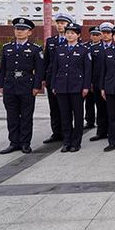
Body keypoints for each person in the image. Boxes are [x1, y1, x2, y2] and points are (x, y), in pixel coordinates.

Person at [0, 17, 44, 154]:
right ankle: (13, 142)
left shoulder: (35, 49)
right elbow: (3, 68)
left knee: (26, 116)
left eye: (23, 30)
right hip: (10, 85)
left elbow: (39, 70)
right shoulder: (7, 47)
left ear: (29, 32)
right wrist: (1, 85)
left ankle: (25, 143)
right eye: (17, 29)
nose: (19, 32)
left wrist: (36, 87)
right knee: (11, 116)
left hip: (26, 86)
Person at [51, 22, 91, 153]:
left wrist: (85, 86)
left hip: (77, 87)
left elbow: (87, 70)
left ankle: (76, 142)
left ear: (78, 35)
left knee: (78, 115)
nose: (69, 35)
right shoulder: (59, 49)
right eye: (68, 32)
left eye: (72, 33)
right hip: (62, 86)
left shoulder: (84, 50)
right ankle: (66, 141)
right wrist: (54, 85)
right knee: (65, 116)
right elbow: (55, 69)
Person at [42, 12, 73, 144]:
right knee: (53, 107)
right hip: (52, 78)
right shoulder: (51, 41)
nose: (60, 26)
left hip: (67, 79)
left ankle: (67, 132)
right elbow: (46, 61)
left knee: (66, 108)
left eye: (63, 23)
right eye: (58, 23)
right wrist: (44, 78)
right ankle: (56, 132)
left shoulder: (72, 40)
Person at [89, 22, 113, 142]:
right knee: (100, 108)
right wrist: (91, 82)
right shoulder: (94, 48)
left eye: (108, 32)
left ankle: (113, 132)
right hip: (98, 83)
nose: (105, 35)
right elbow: (90, 68)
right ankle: (101, 131)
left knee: (112, 109)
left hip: (113, 83)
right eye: (103, 33)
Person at [84, 26, 102, 129]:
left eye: (97, 35)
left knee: (99, 104)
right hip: (87, 80)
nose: (95, 37)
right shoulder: (86, 47)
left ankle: (100, 124)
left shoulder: (103, 48)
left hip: (97, 80)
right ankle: (89, 121)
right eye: (93, 35)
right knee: (88, 102)